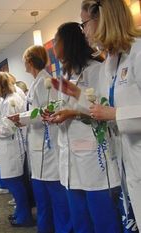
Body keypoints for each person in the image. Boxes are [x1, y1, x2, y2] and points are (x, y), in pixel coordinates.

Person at [58, 0, 141, 231]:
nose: (83, 31)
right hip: (128, 159)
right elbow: (103, 104)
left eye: (84, 24)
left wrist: (116, 114)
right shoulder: (112, 62)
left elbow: (111, 111)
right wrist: (76, 93)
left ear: (101, 19)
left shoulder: (139, 51)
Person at [48, 22, 121, 233]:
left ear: (67, 42)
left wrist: (75, 111)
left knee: (103, 220)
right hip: (71, 156)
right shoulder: (67, 74)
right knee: (80, 221)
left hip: (93, 156)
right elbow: (67, 106)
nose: (54, 46)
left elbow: (106, 109)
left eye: (56, 41)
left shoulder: (96, 69)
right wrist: (56, 113)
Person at [10, 45, 72, 233]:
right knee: (43, 198)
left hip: (48, 146)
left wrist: (22, 118)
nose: (24, 65)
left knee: (56, 198)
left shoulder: (46, 81)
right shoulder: (38, 82)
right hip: (38, 147)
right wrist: (23, 119)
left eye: (25, 61)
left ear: (30, 61)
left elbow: (48, 111)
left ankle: (62, 229)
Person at [0, 72, 34, 227]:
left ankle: (24, 216)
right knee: (16, 182)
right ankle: (20, 212)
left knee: (14, 182)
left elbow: (8, 129)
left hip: (12, 147)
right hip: (12, 146)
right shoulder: (11, 98)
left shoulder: (10, 101)